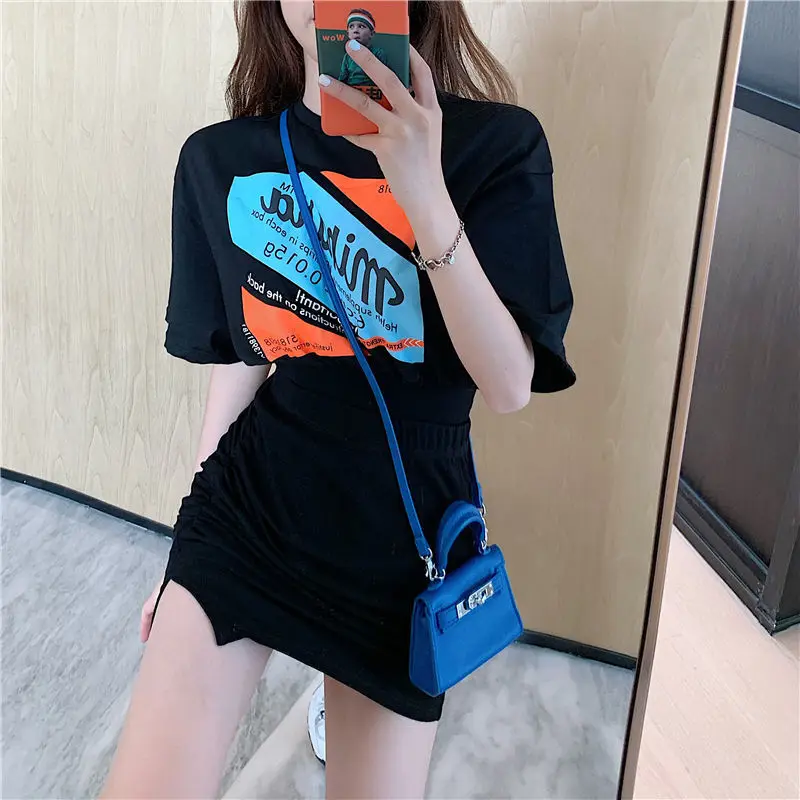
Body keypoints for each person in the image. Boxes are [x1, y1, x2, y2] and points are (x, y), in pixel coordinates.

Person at [101, 0, 575, 798]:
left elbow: (507, 386)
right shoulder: (223, 160)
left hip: (401, 535)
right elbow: (245, 354)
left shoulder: (497, 148)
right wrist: (186, 545)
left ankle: (335, 688)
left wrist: (422, 188)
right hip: (251, 506)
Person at [338, 8, 389, 86]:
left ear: (371, 34)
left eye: (361, 26)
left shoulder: (378, 53)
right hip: (352, 89)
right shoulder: (347, 57)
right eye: (351, 27)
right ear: (348, 33)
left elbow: (384, 77)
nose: (355, 30)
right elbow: (342, 78)